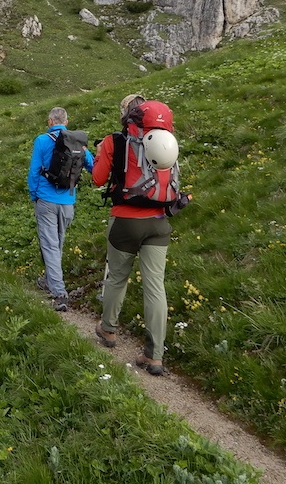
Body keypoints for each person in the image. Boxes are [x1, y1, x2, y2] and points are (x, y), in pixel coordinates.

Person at [91, 93, 181, 376]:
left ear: (125, 115)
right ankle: (154, 356)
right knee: (155, 286)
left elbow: (97, 179)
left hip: (125, 221)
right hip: (159, 222)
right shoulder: (166, 142)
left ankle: (108, 331)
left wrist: (100, 154)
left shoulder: (114, 141)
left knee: (118, 277)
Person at [27, 107, 94, 311]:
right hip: (68, 201)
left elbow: (34, 171)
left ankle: (59, 293)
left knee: (49, 244)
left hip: (46, 201)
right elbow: (92, 166)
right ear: (66, 121)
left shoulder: (42, 140)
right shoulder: (78, 143)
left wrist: (34, 195)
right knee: (57, 242)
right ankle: (49, 280)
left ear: (50, 121)